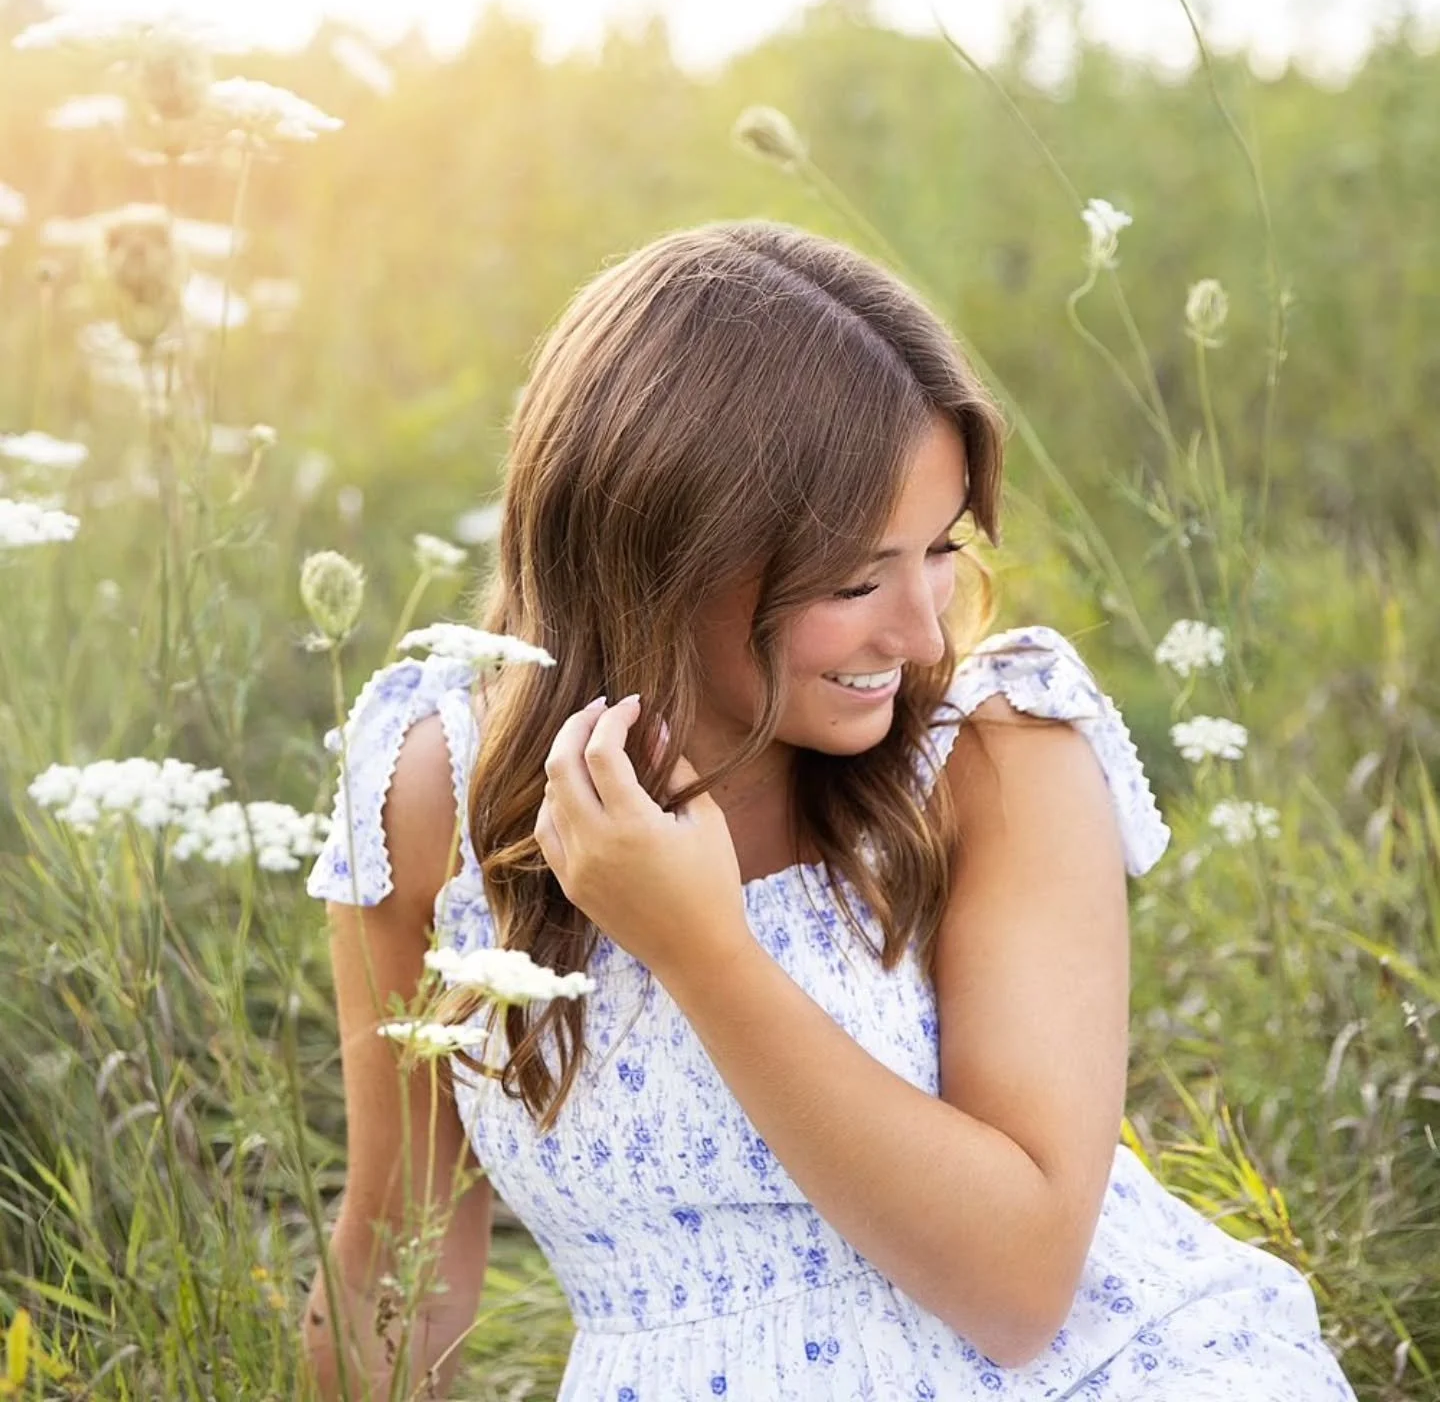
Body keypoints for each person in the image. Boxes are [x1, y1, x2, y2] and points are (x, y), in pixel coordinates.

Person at [301, 220, 1358, 1400]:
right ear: (655, 555)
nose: (918, 637)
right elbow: (399, 1262)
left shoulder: (998, 756)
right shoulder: (436, 790)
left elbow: (1017, 1289)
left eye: (941, 550)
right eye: (854, 580)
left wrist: (702, 952)